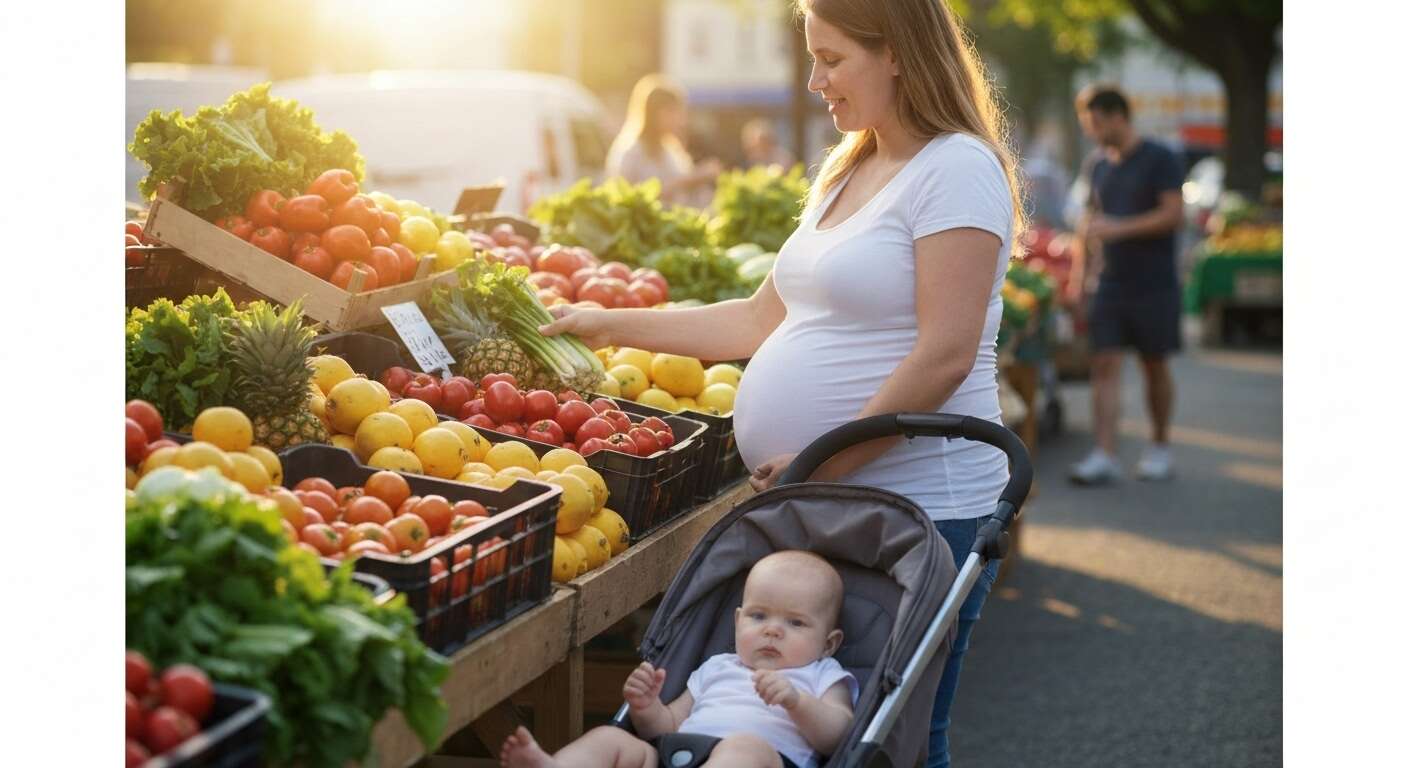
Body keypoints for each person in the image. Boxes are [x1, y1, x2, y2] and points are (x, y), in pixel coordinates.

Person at [540, 1, 1023, 765]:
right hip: (828, 503)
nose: (813, 80)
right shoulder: (850, 167)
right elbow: (757, 320)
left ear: (894, 51)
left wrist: (818, 468)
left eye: (831, 59)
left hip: (920, 513)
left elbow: (945, 355)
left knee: (897, 740)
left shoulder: (956, 167)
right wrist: (609, 322)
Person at [500, 551, 858, 768]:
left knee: (744, 747)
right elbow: (667, 727)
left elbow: (839, 734)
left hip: (764, 759)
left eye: (794, 623)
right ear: (737, 621)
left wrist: (798, 703)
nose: (772, 631)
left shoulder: (822, 674)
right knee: (612, 739)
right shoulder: (717, 667)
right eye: (759, 617)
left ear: (829, 643)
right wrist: (646, 707)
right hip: (676, 756)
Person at [1066, 84, 1185, 485]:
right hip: (1109, 284)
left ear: (1118, 116)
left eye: (1096, 122)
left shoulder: (1161, 158)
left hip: (1154, 284)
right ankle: (1104, 453)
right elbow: (1088, 226)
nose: (1091, 131)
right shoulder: (1096, 165)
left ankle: (1160, 446)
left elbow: (1173, 215)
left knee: (1154, 365)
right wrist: (1078, 281)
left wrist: (1120, 228)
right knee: (1104, 364)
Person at [606, 74, 722, 208]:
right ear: (654, 114)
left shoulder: (671, 150)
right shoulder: (630, 152)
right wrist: (692, 179)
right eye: (672, 112)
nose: (680, 120)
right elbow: (627, 199)